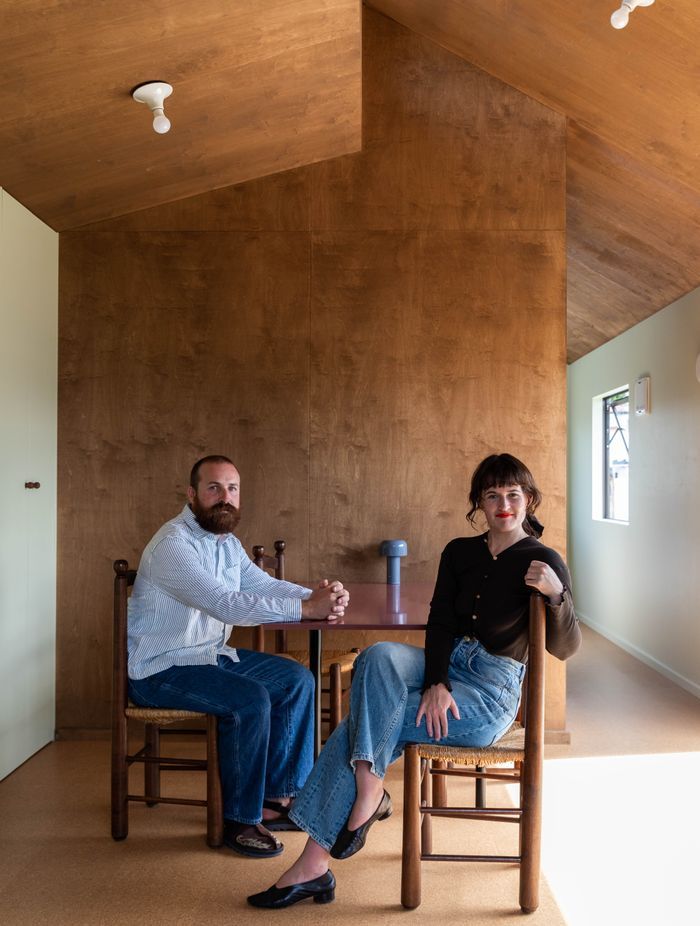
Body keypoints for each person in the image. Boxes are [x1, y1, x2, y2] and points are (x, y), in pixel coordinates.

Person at [248, 453, 581, 908]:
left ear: (530, 500)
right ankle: (368, 790)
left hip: (489, 692)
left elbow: (565, 647)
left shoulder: (543, 560)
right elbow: (441, 622)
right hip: (447, 666)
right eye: (492, 495)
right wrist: (436, 682)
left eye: (513, 494)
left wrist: (557, 595)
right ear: (478, 503)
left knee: (356, 729)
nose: (503, 504)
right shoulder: (459, 552)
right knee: (378, 655)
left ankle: (315, 861)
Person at [127, 454, 349, 859]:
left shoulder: (225, 543)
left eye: (232, 489)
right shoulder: (172, 545)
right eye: (214, 488)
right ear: (192, 494)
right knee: (250, 700)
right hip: (160, 668)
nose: (224, 498)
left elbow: (261, 584)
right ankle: (240, 820)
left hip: (209, 655)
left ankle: (276, 800)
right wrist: (307, 610)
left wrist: (317, 598)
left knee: (296, 680)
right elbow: (225, 604)